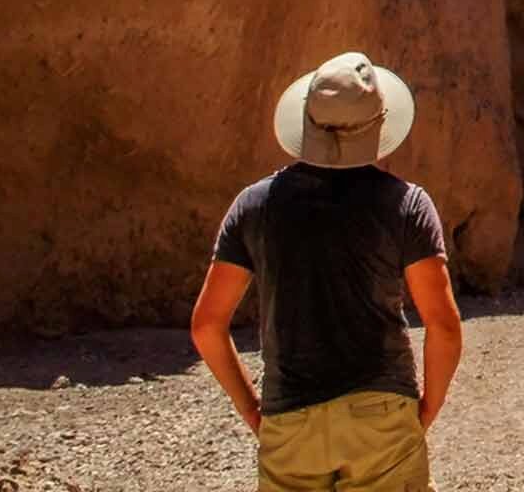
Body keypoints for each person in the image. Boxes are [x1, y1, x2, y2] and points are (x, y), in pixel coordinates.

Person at [191, 52, 462, 492]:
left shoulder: (254, 207)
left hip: (290, 418)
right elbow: (444, 325)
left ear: (307, 123)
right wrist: (427, 408)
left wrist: (255, 412)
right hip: (382, 413)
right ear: (379, 124)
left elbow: (206, 325)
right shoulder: (407, 205)